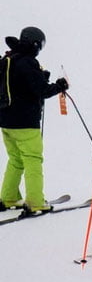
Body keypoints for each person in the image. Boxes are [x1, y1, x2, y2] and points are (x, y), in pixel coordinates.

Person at [0, 26, 69, 213]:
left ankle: (8, 197)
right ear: (35, 44)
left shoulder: (8, 58)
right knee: (33, 159)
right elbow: (41, 91)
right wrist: (59, 86)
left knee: (15, 159)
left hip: (6, 121)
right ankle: (36, 202)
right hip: (25, 121)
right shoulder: (27, 62)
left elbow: (22, 85)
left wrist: (41, 78)